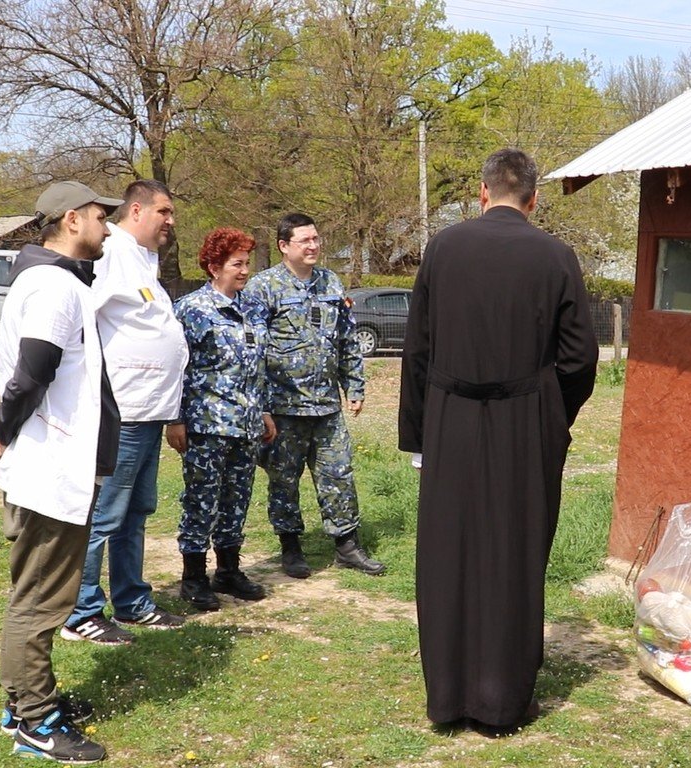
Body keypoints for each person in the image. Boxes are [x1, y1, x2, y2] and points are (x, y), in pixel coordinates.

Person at [397, 148, 599, 732]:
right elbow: (580, 357)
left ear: (483, 193)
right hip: (525, 419)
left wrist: (418, 434)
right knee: (515, 549)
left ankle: (448, 700)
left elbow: (418, 348)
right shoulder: (557, 256)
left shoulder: (443, 248)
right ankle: (503, 702)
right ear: (532, 199)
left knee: (449, 550)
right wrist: (553, 414)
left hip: (449, 416)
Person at [0, 180, 123, 763]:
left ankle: (27, 699)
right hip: (52, 471)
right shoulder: (56, 286)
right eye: (99, 216)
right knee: (40, 601)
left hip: (52, 465)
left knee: (35, 593)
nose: (106, 226)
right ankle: (34, 720)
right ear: (70, 219)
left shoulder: (50, 282)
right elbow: (34, 369)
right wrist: (5, 427)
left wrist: (7, 425)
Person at [62, 179, 189, 646]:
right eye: (165, 211)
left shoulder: (143, 259)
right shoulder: (111, 252)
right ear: (137, 210)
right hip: (125, 408)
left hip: (151, 410)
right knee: (106, 514)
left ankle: (133, 601)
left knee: (137, 510)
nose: (171, 221)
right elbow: (80, 318)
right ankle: (81, 611)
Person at [243, 213, 386, 578]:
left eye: (316, 239)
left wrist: (354, 385)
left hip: (326, 406)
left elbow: (347, 339)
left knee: (338, 475)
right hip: (284, 407)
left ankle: (347, 545)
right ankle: (291, 547)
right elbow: (253, 350)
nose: (313, 246)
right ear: (283, 246)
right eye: (305, 240)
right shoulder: (264, 287)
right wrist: (259, 407)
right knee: (284, 480)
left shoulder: (330, 282)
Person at [167, 228, 276, 611]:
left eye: (247, 263)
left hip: (245, 425)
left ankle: (228, 570)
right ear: (214, 267)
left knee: (237, 501)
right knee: (201, 502)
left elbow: (258, 367)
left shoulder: (253, 308)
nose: (245, 271)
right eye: (237, 264)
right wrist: (175, 418)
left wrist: (263, 411)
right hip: (206, 425)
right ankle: (193, 577)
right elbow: (177, 367)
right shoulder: (191, 310)